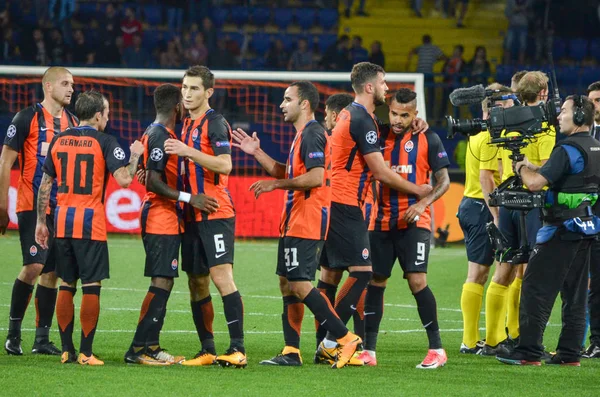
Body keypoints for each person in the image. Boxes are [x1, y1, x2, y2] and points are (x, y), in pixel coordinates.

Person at [233, 82, 362, 369]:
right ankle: (292, 350)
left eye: (287, 99)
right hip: (293, 220)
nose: (282, 104)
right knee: (287, 284)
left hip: (308, 219)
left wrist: (275, 185)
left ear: (305, 104)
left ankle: (345, 337)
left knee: (300, 284)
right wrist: (256, 153)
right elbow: (288, 172)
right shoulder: (301, 135)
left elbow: (316, 177)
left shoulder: (314, 134)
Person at [314, 62, 432, 364]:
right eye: (382, 83)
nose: (386, 88)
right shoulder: (361, 119)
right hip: (344, 203)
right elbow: (380, 172)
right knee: (364, 272)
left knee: (330, 274)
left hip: (335, 201)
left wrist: (418, 124)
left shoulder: (352, 115)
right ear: (369, 87)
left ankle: (325, 343)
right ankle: (333, 339)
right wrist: (418, 190)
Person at [35, 90, 144, 365]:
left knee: (66, 284)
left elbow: (45, 185)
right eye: (106, 113)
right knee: (91, 285)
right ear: (97, 115)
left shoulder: (59, 140)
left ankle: (66, 350)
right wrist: (134, 155)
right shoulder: (105, 141)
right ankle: (85, 352)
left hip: (61, 221)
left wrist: (40, 222)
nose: (107, 118)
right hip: (89, 224)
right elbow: (124, 180)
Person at [497, 95, 600, 366]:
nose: (558, 116)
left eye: (563, 112)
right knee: (575, 294)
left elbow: (534, 185)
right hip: (585, 229)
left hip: (559, 230)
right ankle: (569, 354)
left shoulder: (566, 148)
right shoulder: (595, 147)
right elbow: (568, 175)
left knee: (535, 289)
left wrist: (520, 167)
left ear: (578, 116)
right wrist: (533, 166)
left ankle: (528, 352)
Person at [124, 84, 219, 366]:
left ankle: (150, 345)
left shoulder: (159, 134)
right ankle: (139, 349)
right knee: (162, 279)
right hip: (159, 216)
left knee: (164, 279)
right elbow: (153, 181)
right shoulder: (159, 135)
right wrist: (192, 198)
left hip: (166, 216)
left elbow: (149, 173)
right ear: (177, 107)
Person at [358, 89, 450, 368]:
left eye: (405, 115)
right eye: (394, 113)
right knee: (376, 282)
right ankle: (369, 351)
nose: (398, 120)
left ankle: (437, 349)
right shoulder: (376, 136)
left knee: (417, 280)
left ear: (415, 115)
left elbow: (443, 181)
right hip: (381, 222)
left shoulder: (429, 139)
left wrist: (423, 204)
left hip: (415, 223)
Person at [163, 65, 246, 368]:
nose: (187, 93)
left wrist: (187, 151)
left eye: (194, 88)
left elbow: (225, 165)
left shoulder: (215, 123)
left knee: (222, 278)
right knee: (196, 282)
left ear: (209, 92)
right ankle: (207, 349)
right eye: (185, 87)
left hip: (215, 212)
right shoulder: (184, 124)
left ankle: (238, 348)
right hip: (190, 216)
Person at [1, 66, 78, 356]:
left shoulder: (71, 121)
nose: (71, 89)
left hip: (61, 206)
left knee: (52, 271)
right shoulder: (26, 117)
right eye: (65, 83)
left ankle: (41, 339)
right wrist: (1, 204)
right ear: (48, 86)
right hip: (31, 204)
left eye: (72, 84)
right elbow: (5, 163)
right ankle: (13, 334)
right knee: (34, 266)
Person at [480, 71, 556, 357]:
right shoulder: (544, 126)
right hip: (532, 202)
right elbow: (547, 168)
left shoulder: (504, 121)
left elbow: (493, 168)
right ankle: (526, 340)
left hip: (508, 202)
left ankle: (493, 341)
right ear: (544, 93)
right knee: (531, 273)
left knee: (504, 270)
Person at [457, 83, 511, 355]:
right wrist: (498, 217)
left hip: (472, 204)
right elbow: (487, 178)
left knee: (482, 272)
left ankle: (478, 339)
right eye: (509, 105)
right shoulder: (491, 135)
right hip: (482, 206)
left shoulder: (480, 131)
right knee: (479, 273)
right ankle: (471, 341)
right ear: (497, 108)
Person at [584, 81, 600, 358]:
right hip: (591, 218)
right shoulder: (587, 134)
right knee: (594, 283)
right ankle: (597, 341)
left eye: (598, 100)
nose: (594, 106)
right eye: (592, 101)